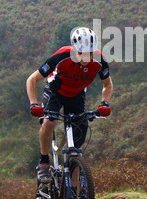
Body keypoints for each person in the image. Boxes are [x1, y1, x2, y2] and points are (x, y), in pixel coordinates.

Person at [26, 27, 113, 182]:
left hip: (76, 95)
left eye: (90, 53)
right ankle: (44, 162)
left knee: (76, 149)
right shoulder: (61, 56)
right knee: (49, 121)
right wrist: (34, 104)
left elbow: (107, 84)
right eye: (82, 53)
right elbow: (32, 79)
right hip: (55, 91)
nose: (86, 57)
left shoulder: (100, 61)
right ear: (74, 49)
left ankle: (73, 195)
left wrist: (104, 103)